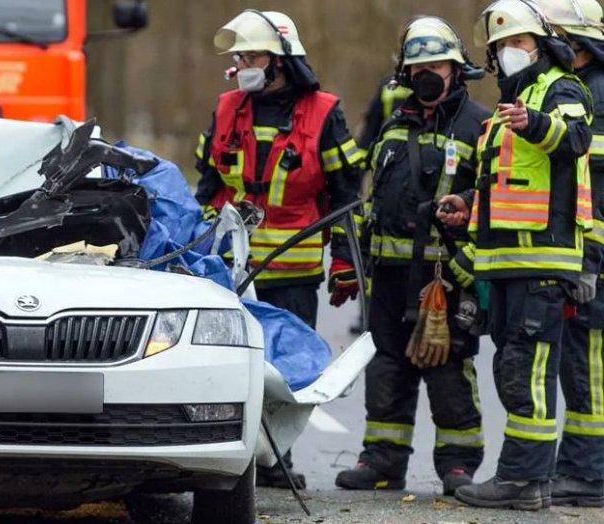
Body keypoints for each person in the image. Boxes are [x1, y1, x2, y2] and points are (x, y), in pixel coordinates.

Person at [196, 9, 364, 489]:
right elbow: (209, 186)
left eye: (251, 55)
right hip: (231, 269)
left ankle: (277, 459)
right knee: (233, 365)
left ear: (281, 59)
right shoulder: (228, 107)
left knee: (287, 369)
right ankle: (236, 454)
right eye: (240, 56)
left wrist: (348, 262)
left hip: (295, 265)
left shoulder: (323, 111)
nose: (242, 63)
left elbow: (345, 191)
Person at [437, 0, 593, 510]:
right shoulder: (511, 107)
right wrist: (468, 206)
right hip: (505, 264)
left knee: (527, 370)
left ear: (541, 45)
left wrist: (534, 123)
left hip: (541, 263)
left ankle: (524, 481)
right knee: (513, 368)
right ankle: (527, 478)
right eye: (501, 46)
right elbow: (509, 188)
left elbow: (574, 138)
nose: (508, 53)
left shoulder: (561, 90)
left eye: (517, 43)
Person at [333, 16, 489, 496]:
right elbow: (369, 202)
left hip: (446, 278)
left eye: (438, 65)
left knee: (448, 373)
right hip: (390, 279)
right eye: (419, 65)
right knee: (387, 369)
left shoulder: (480, 125)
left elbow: (494, 207)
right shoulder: (393, 127)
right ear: (404, 73)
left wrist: (468, 266)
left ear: (457, 69)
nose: (428, 74)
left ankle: (458, 467)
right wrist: (348, 258)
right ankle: (382, 460)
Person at [535, 0, 604, 507]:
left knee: (586, 368)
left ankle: (587, 471)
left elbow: (595, 191)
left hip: (593, 258)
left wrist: (589, 262)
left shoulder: (594, 98)